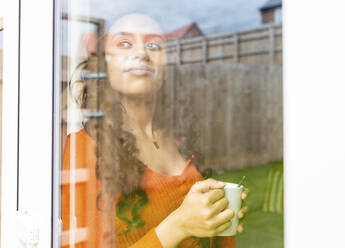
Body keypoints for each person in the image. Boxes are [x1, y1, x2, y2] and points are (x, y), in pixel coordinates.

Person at [62, 13, 249, 248]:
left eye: (153, 45)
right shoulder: (83, 151)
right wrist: (178, 226)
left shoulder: (179, 138)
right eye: (125, 43)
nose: (142, 53)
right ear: (103, 66)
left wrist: (220, 219)